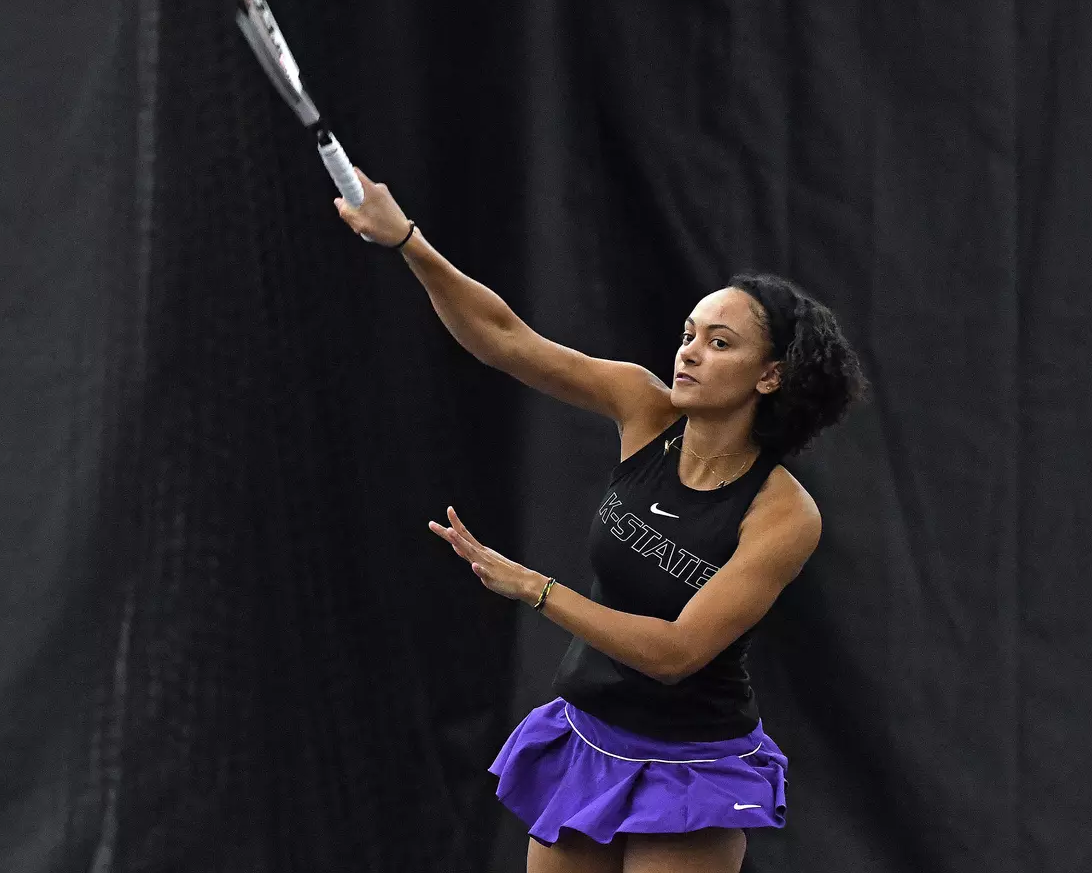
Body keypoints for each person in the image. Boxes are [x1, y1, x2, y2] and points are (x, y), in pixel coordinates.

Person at [335, 169, 866, 873]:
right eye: (688, 334)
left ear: (769, 376)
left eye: (719, 343)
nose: (688, 352)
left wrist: (537, 590)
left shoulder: (783, 514)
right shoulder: (642, 407)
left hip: (692, 765)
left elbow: (675, 654)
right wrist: (406, 240)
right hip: (587, 737)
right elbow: (501, 337)